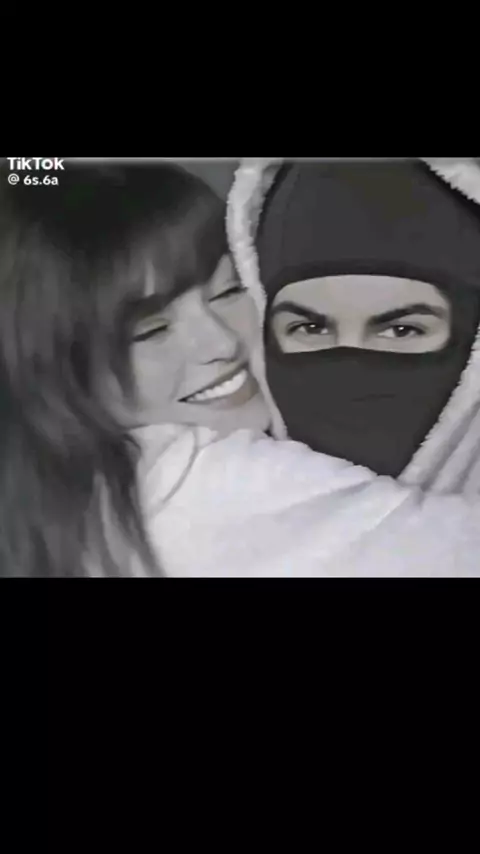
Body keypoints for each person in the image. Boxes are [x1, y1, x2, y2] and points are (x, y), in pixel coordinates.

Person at [0, 161, 269, 577]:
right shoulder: (216, 482)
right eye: (152, 330)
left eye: (229, 291)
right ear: (54, 373)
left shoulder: (57, 519)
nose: (222, 343)